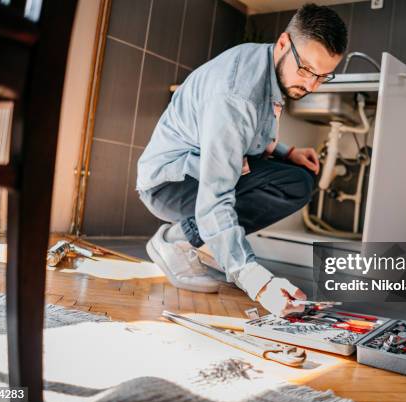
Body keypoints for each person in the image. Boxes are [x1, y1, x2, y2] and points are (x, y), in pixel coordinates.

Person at [137, 3, 348, 316]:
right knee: (288, 186)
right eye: (306, 70)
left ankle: (207, 241)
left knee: (298, 179)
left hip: (197, 169)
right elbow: (214, 197)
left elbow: (249, 135)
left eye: (323, 76)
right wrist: (256, 280)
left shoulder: (265, 62)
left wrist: (286, 152)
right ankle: (174, 242)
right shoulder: (236, 95)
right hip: (169, 182)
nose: (312, 85)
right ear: (282, 44)